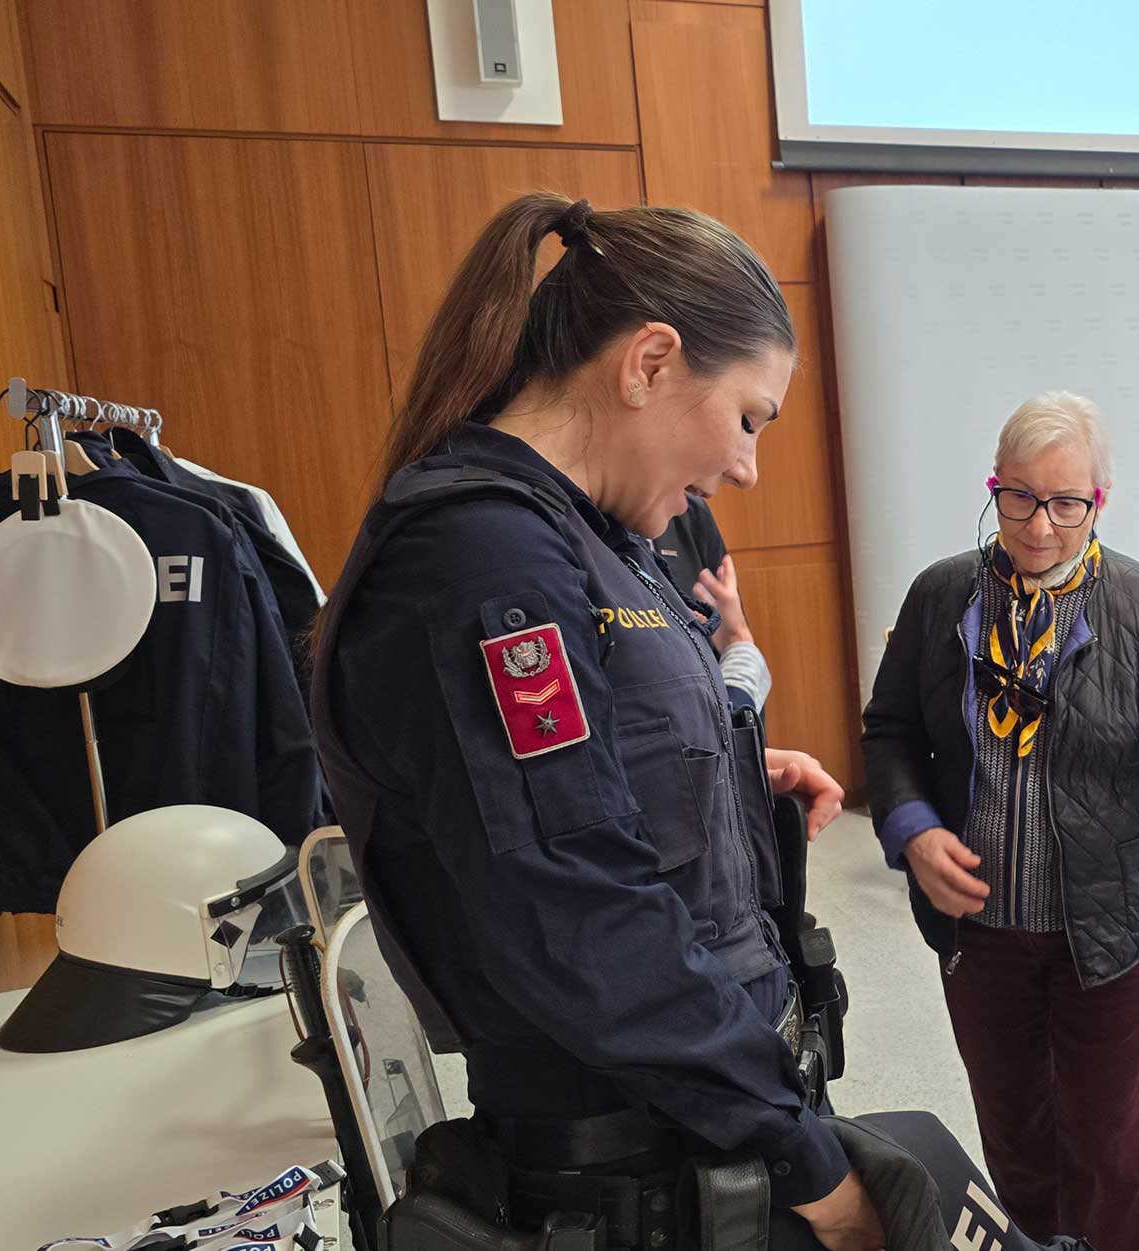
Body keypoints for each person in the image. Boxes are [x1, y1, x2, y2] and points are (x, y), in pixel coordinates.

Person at [308, 194, 885, 1251]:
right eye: (749, 417)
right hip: (634, 1144)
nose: (747, 467)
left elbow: (583, 778)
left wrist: (724, 777)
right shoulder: (484, 557)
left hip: (704, 1101)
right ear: (649, 363)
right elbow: (571, 904)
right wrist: (803, 1160)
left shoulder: (595, 535)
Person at [861, 390, 1139, 1251]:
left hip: (1110, 930)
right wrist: (910, 826)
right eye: (1019, 496)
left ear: (1099, 502)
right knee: (1014, 1135)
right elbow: (890, 729)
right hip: (982, 929)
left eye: (1066, 502)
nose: (1040, 525)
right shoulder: (942, 597)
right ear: (995, 487)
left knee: (1103, 1144)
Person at [654, 496, 773, 713]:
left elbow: (743, 722)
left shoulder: (689, 513)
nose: (747, 478)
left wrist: (738, 642)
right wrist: (740, 640)